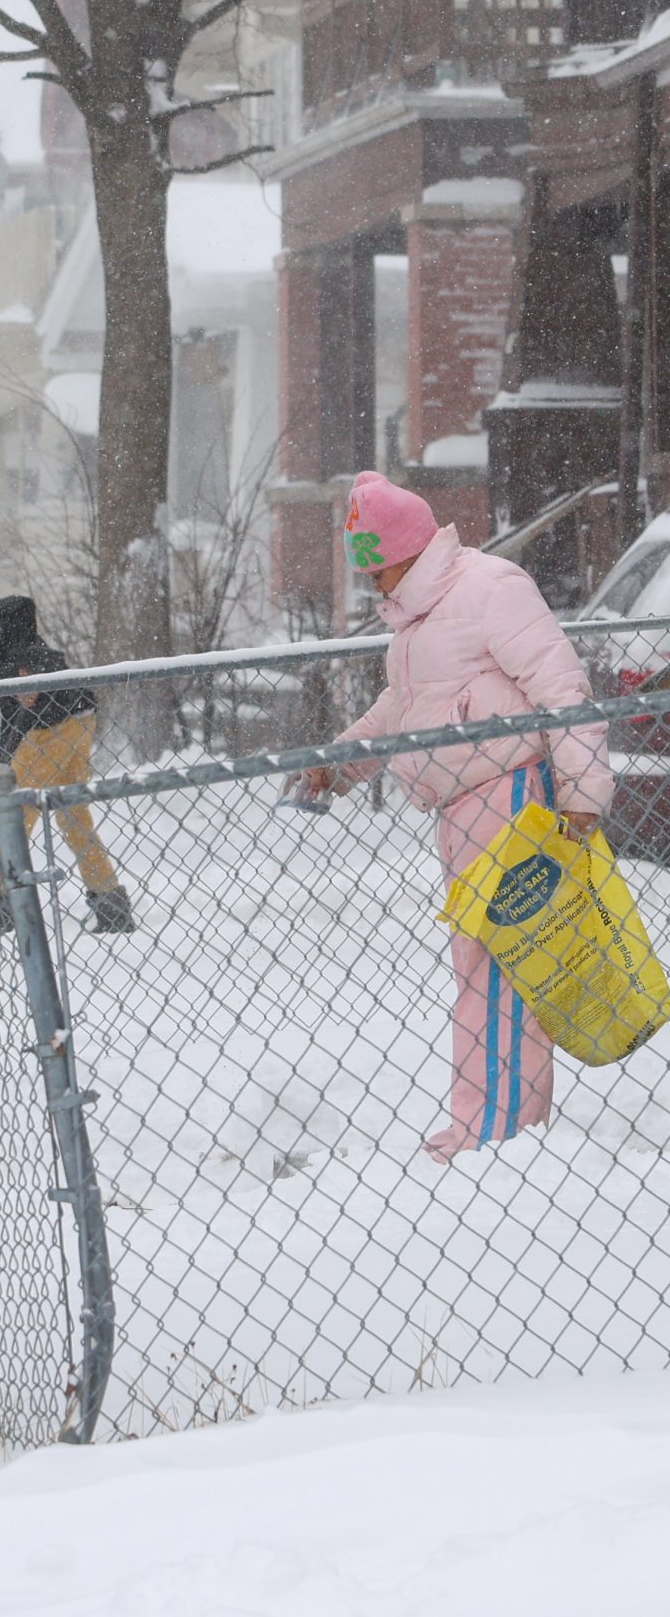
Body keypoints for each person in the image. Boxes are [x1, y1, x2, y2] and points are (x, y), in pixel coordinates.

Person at [297, 470, 612, 1161]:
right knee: (484, 968)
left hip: (512, 800)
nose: (371, 586)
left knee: (504, 967)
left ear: (405, 552)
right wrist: (342, 761)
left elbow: (562, 687)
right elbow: (404, 711)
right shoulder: (417, 619)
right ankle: (491, 1121)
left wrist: (584, 792)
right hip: (464, 810)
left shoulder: (488, 590)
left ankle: (494, 1129)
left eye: (375, 569)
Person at [0, 569, 139, 935]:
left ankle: (10, 909)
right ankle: (110, 902)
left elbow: (23, 614)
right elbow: (12, 702)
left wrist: (29, 668)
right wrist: (7, 751)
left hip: (52, 724)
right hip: (79, 715)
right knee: (72, 816)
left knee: (11, 813)